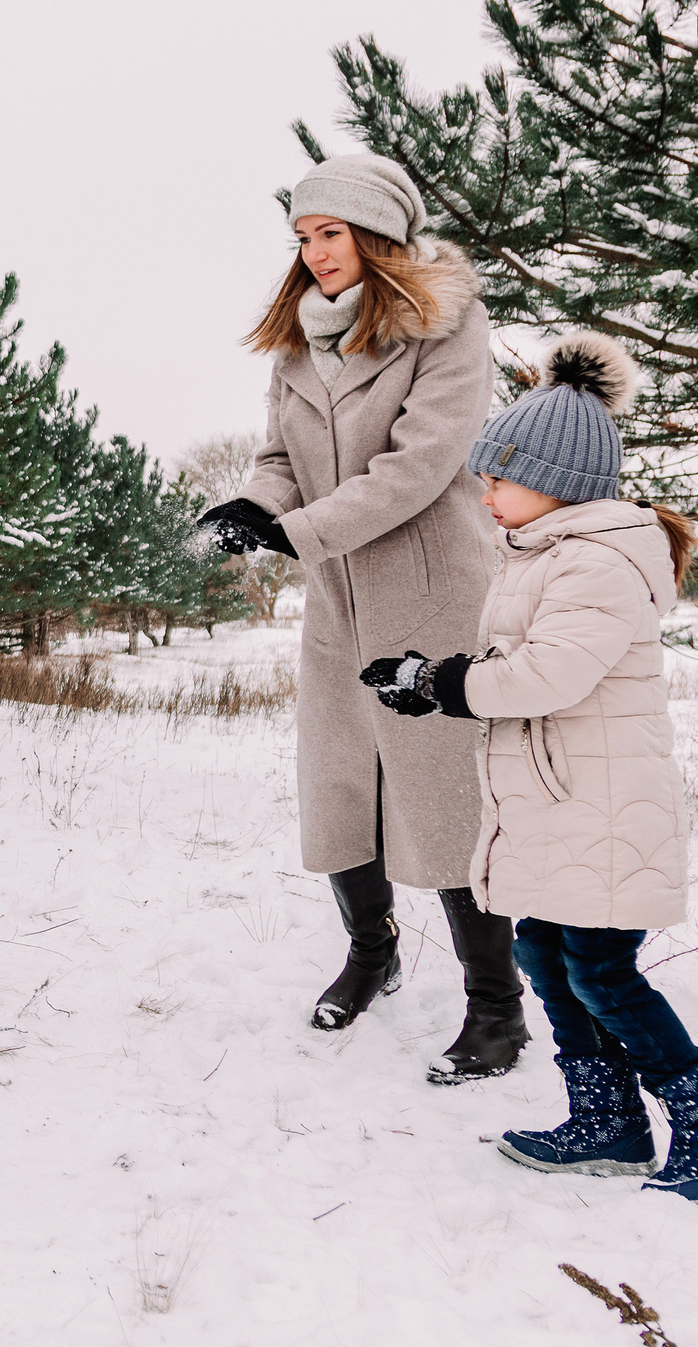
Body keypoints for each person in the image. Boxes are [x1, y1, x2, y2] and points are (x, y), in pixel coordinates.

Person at [361, 331, 698, 1202]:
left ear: (559, 481)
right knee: (546, 955)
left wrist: (441, 684)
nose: (485, 493)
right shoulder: (544, 554)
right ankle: (608, 1122)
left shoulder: (599, 560)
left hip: (601, 807)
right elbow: (520, 662)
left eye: (499, 479)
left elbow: (548, 674)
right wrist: (435, 678)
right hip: (557, 804)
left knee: (602, 971)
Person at [196, 153, 528, 1082]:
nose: (314, 251)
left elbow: (421, 465)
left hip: (432, 589)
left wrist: (295, 531)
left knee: (444, 792)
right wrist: (254, 506)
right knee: (341, 785)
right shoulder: (298, 341)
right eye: (302, 237)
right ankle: (372, 954)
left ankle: (496, 1006)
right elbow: (278, 458)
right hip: (337, 599)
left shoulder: (446, 325)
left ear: (377, 234)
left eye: (330, 232)